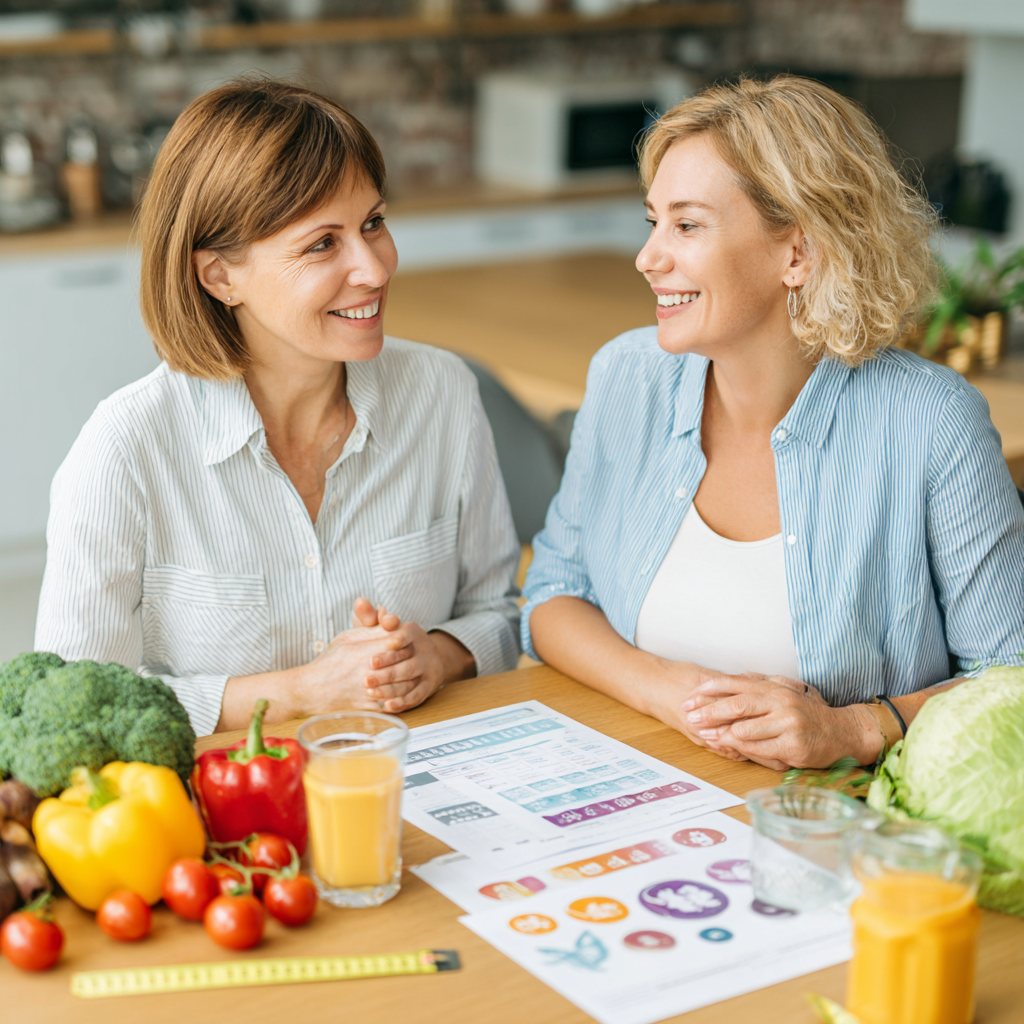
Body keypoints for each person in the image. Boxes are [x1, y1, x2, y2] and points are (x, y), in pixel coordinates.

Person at [522, 76, 1024, 771]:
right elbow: (553, 592)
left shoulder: (931, 422)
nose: (648, 257)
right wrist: (667, 691)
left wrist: (853, 729)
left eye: (687, 225)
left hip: (830, 827)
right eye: (653, 221)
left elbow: (1009, 678)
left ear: (799, 253)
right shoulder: (626, 377)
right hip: (644, 784)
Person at [36, 80, 520, 736]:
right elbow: (77, 706)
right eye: (323, 243)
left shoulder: (443, 395)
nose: (375, 269)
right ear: (219, 276)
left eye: (373, 223)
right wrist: (299, 693)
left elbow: (501, 611)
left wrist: (436, 655)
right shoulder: (126, 448)